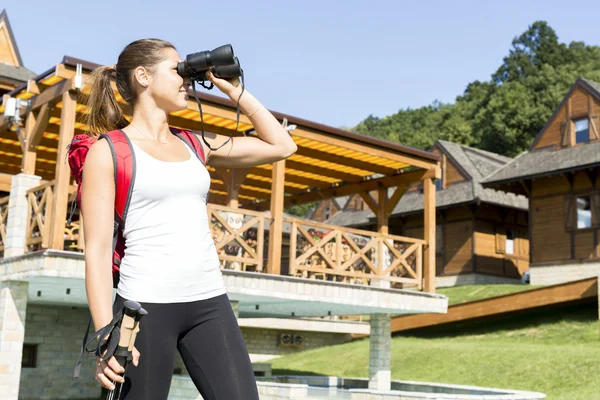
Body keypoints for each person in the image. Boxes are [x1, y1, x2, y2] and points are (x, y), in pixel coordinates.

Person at [81, 38, 297, 399]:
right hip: (143, 308)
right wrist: (106, 333)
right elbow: (97, 252)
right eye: (176, 69)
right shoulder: (109, 152)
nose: (187, 79)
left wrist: (236, 90)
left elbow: (282, 145)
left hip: (209, 302)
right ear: (143, 76)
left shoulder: (195, 144)